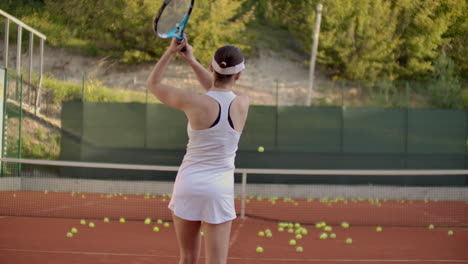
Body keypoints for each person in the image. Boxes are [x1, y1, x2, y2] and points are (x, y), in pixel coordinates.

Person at [147, 37, 249, 264]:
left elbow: (153, 84)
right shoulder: (243, 102)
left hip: (188, 184)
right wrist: (192, 61)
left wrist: (171, 52)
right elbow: (219, 90)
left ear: (212, 67)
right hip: (218, 189)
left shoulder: (192, 101)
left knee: (187, 258)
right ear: (239, 75)